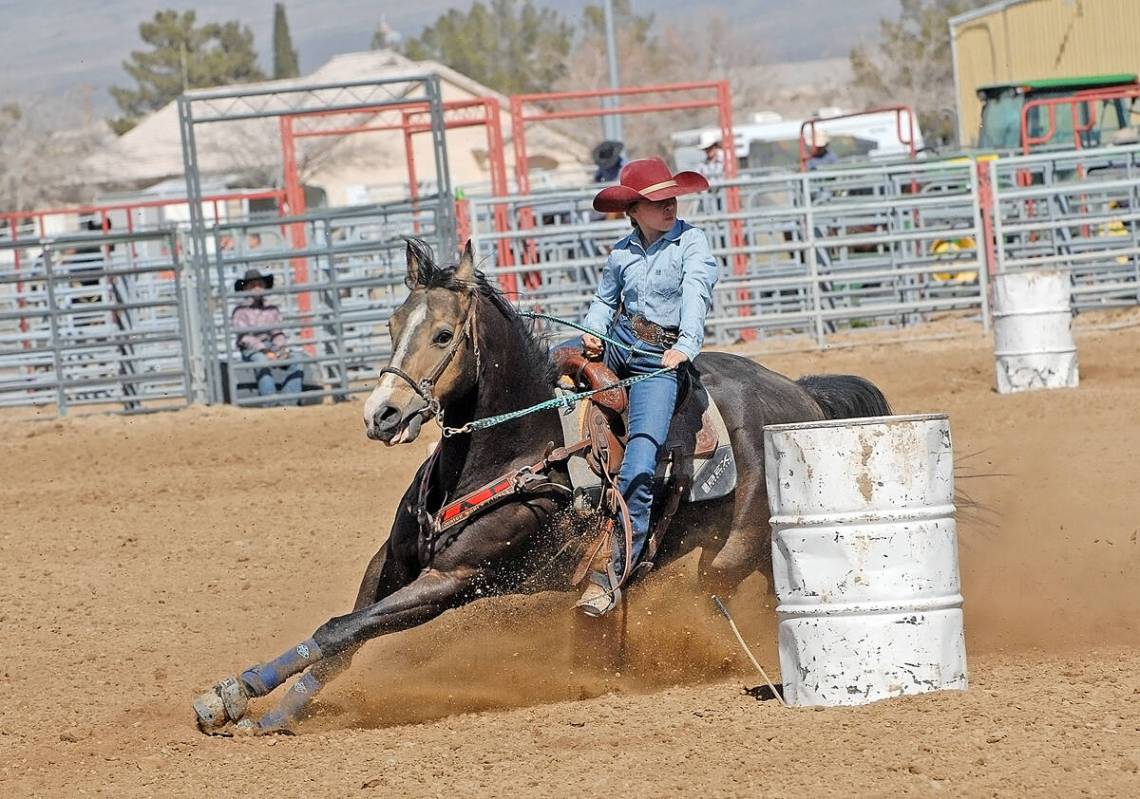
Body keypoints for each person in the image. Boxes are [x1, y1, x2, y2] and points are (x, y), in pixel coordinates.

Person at [574, 157, 719, 617]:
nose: (669, 206)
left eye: (671, 198)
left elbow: (698, 292)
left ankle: (615, 569)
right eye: (657, 201)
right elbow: (604, 299)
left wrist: (687, 345)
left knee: (639, 461)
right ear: (633, 209)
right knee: (552, 362)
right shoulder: (622, 253)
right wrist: (593, 330)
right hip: (619, 340)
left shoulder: (691, 244)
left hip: (661, 355)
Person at [231, 268, 303, 405]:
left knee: (296, 358)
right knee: (261, 360)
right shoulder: (239, 310)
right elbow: (245, 337)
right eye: (252, 285)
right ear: (245, 288)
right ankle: (270, 402)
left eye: (259, 284)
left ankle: (288, 402)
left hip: (271, 346)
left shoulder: (272, 308)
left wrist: (280, 347)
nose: (257, 288)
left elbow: (277, 332)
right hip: (251, 349)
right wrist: (265, 350)